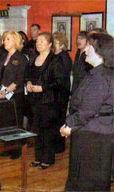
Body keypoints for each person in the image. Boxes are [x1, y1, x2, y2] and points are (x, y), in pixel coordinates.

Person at [60, 33, 114, 191]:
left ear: (100, 52)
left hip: (92, 136)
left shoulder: (99, 77)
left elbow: (88, 110)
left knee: (85, 180)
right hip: (98, 133)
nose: (85, 50)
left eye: (89, 47)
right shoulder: (101, 73)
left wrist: (69, 126)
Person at [26, 32, 64, 169]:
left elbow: (59, 82)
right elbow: (28, 75)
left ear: (49, 44)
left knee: (48, 130)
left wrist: (43, 88)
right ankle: (38, 157)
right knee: (37, 129)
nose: (38, 44)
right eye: (37, 41)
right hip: (35, 100)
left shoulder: (55, 60)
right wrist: (28, 83)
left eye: (42, 41)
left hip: (49, 101)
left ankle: (47, 159)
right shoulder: (34, 59)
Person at [0, 31, 28, 160]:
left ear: (15, 41)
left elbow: (19, 80)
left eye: (8, 39)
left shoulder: (21, 58)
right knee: (4, 122)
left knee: (15, 123)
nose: (4, 42)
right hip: (1, 94)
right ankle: (6, 147)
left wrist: (6, 91)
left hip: (14, 95)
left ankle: (16, 149)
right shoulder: (3, 57)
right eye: (4, 39)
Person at [53, 32, 72, 153]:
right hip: (59, 93)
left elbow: (61, 77)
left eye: (55, 43)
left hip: (61, 93)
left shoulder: (63, 57)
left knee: (59, 119)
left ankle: (59, 147)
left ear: (61, 45)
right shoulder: (58, 56)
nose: (53, 45)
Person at [71, 31, 93, 97]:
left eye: (81, 38)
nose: (78, 40)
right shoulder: (78, 52)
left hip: (84, 87)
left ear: (87, 41)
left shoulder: (89, 54)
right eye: (77, 38)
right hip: (76, 85)